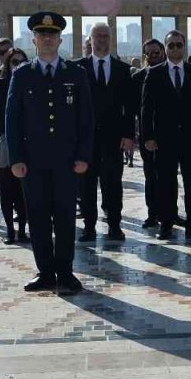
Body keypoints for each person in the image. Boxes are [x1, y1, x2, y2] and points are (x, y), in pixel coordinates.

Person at [5, 12, 94, 293]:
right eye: (42, 34)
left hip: (67, 162)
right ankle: (45, 272)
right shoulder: (22, 75)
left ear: (60, 39)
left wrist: (83, 155)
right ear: (33, 39)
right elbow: (12, 118)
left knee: (66, 217)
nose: (47, 39)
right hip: (33, 162)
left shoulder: (75, 74)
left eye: (52, 34)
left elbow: (86, 119)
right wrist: (16, 157)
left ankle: (65, 272)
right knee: (38, 217)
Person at [141, 29, 191, 241]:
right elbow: (146, 108)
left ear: (184, 47)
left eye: (179, 45)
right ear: (165, 49)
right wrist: (148, 137)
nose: (175, 49)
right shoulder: (154, 73)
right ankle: (166, 224)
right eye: (171, 45)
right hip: (164, 138)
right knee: (165, 183)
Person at [76, 22, 134, 242]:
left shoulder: (122, 69)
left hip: (114, 139)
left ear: (111, 39)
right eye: (97, 36)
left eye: (106, 36)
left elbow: (128, 108)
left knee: (113, 185)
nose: (102, 40)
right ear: (90, 40)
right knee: (87, 185)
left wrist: (128, 135)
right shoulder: (78, 68)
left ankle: (114, 226)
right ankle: (89, 227)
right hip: (86, 139)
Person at [0, 47, 28, 244]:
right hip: (5, 141)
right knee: (7, 189)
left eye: (21, 62)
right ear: (7, 63)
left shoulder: (32, 81)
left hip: (28, 143)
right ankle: (10, 230)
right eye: (14, 62)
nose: (18, 65)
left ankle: (22, 230)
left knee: (23, 190)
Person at [135, 39, 165, 228]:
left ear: (163, 52)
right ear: (144, 55)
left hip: (168, 134)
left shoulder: (171, 73)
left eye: (156, 53)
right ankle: (152, 213)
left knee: (168, 177)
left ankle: (169, 212)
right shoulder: (138, 77)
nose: (153, 57)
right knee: (150, 176)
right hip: (148, 136)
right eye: (149, 54)